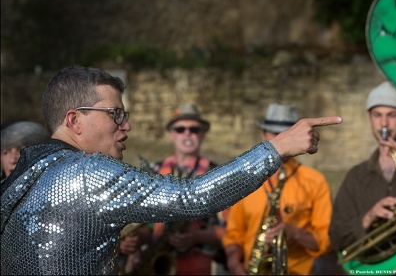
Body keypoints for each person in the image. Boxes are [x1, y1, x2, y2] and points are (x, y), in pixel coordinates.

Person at [0, 65, 342, 275]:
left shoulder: (22, 175)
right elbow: (190, 196)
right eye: (115, 114)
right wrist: (277, 148)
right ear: (74, 120)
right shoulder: (87, 172)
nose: (127, 125)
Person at [328, 81, 396, 272]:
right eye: (377, 115)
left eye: (392, 115)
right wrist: (368, 218)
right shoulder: (356, 176)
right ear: (369, 118)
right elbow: (336, 236)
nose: (383, 123)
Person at [223, 103, 334, 275]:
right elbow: (234, 233)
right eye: (276, 134)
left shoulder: (315, 181)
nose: (283, 140)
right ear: (263, 135)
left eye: (288, 134)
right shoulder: (244, 179)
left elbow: (326, 242)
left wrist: (294, 233)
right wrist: (233, 261)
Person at [148, 103, 229, 275]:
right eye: (180, 129)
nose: (187, 133)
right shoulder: (153, 171)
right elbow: (141, 223)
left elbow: (231, 231)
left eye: (194, 129)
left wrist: (196, 236)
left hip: (201, 265)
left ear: (203, 134)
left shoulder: (218, 174)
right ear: (171, 133)